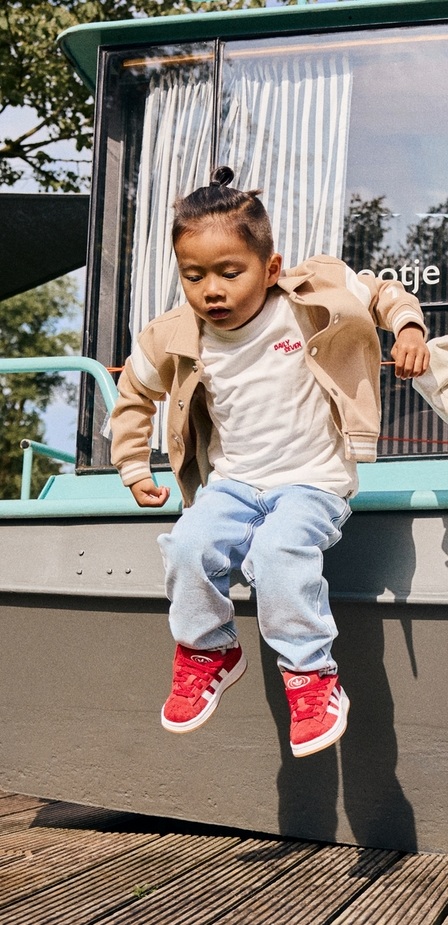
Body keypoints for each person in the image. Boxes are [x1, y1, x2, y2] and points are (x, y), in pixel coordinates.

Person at [110, 166, 429, 757]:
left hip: (312, 482)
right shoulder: (176, 334)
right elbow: (134, 391)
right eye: (193, 276)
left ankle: (311, 676)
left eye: (230, 273)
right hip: (234, 484)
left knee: (279, 552)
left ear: (271, 268)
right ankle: (209, 650)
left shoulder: (312, 295)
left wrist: (407, 327)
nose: (211, 291)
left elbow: (382, 292)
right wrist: (132, 464)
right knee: (187, 545)